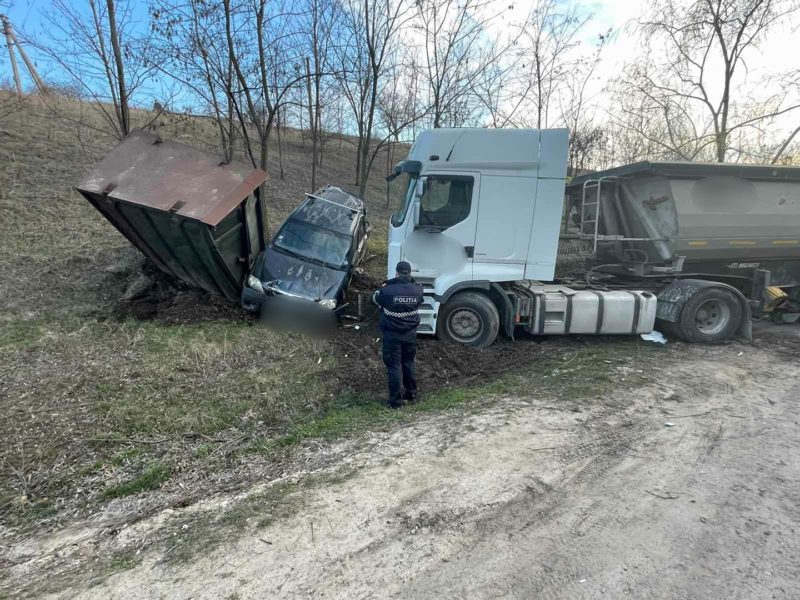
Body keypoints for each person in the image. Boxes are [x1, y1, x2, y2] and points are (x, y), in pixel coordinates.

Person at [372, 261, 424, 409]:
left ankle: (395, 401)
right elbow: (419, 302)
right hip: (410, 334)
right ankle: (411, 393)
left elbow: (374, 299)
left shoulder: (387, 290)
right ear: (409, 272)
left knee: (394, 366)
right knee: (408, 362)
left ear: (396, 272)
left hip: (392, 335)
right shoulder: (418, 290)